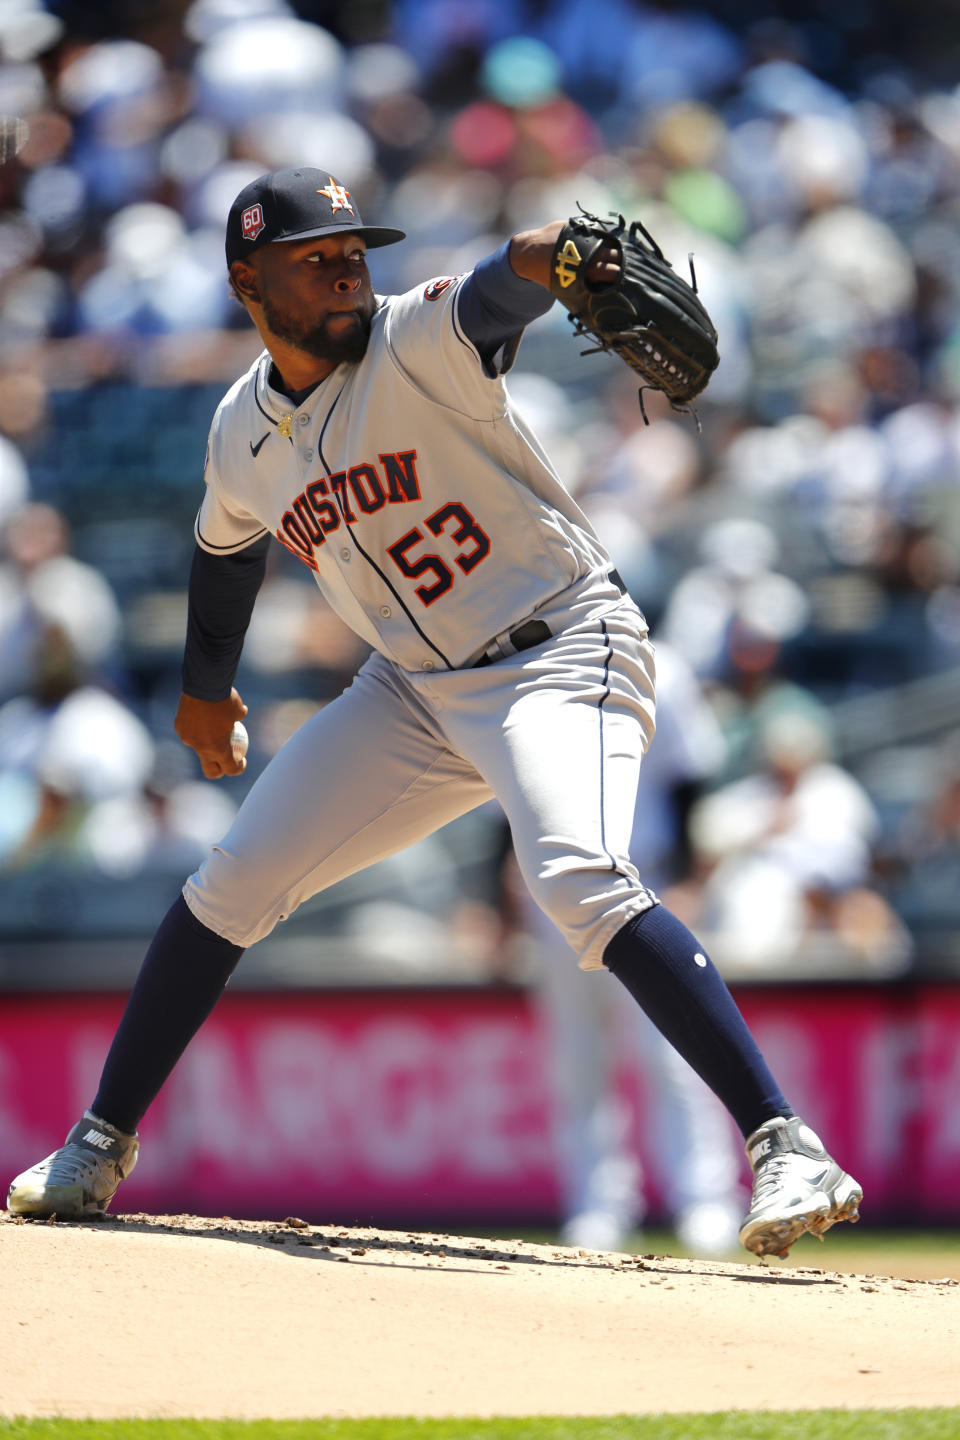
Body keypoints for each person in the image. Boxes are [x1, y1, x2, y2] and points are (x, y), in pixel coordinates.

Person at [6, 166, 862, 1259]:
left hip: (560, 650)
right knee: (235, 880)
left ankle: (787, 1143)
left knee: (577, 878)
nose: (347, 273)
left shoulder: (418, 343)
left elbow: (502, 284)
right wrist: (205, 692)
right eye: (316, 259)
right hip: (412, 691)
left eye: (354, 251)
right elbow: (224, 557)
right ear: (246, 282)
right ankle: (97, 1142)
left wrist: (561, 250)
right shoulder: (239, 433)